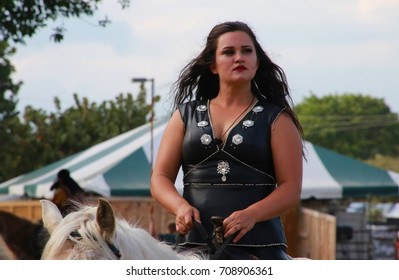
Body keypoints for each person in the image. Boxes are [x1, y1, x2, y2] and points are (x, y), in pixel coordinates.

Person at [150, 21, 304, 260]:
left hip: (261, 249)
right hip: (193, 247)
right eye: (229, 52)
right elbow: (160, 178)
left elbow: (291, 189)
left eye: (247, 51)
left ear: (257, 61)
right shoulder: (184, 115)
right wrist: (180, 207)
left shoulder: (277, 119)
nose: (239, 57)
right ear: (213, 65)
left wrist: (252, 214)